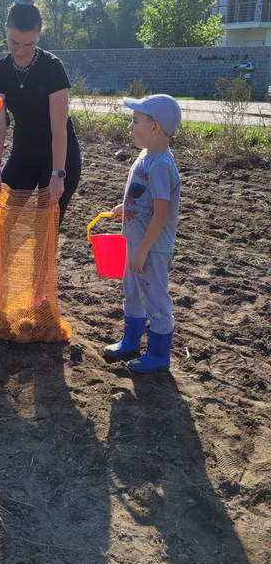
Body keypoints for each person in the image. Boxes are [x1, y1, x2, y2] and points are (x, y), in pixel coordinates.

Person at [0, 0, 81, 315]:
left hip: (60, 154)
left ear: (39, 36)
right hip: (23, 153)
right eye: (14, 42)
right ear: (6, 31)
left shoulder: (53, 68)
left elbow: (59, 127)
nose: (20, 50)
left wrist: (58, 174)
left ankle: (38, 293)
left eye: (28, 44)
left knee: (45, 224)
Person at [104, 94, 182, 372]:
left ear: (155, 127)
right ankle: (131, 342)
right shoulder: (145, 155)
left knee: (156, 298)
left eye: (135, 121)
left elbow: (161, 215)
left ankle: (159, 355)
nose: (130, 127)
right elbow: (143, 194)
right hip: (136, 242)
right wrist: (125, 206)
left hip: (151, 248)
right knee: (132, 293)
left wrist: (141, 251)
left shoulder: (160, 165)